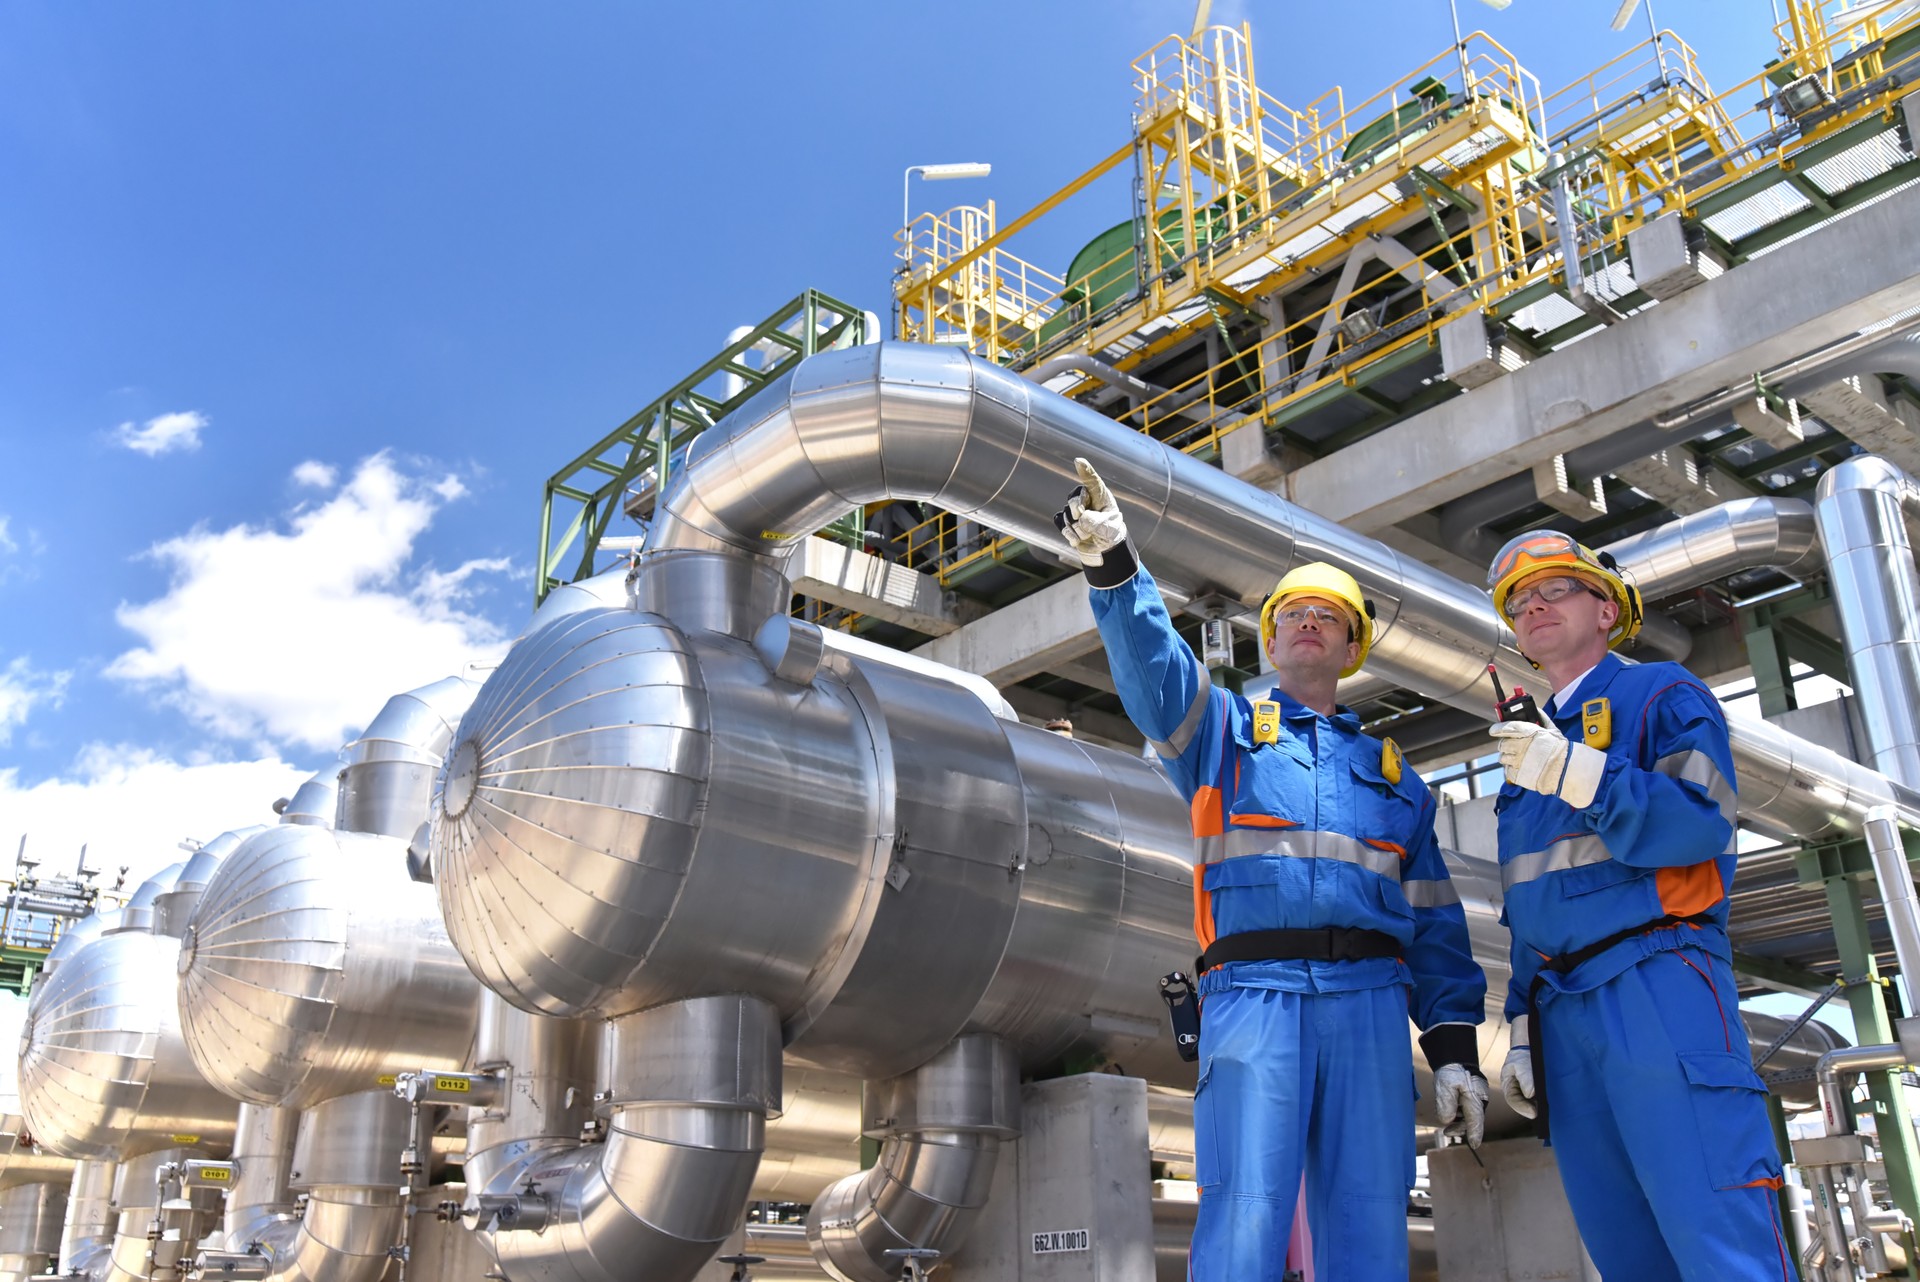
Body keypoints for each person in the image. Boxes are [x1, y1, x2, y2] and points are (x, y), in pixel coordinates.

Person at [1056, 458, 1487, 1282]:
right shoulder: (1222, 732)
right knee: (1245, 1216)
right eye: (1292, 613)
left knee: (1368, 1219)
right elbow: (1156, 676)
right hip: (1253, 997)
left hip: (1369, 1006)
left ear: (1351, 645)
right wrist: (1114, 565)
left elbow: (1435, 924)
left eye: (1329, 616)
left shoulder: (1397, 780)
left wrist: (1457, 1047)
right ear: (1271, 636)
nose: (1308, 624)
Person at [1483, 530, 1793, 1280]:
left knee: (1716, 1230)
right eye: (1521, 602)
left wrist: (1578, 772)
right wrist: (1521, 1022)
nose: (1535, 606)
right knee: (1624, 1246)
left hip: (1659, 979)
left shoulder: (1661, 693)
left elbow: (1697, 820)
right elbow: (1533, 902)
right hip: (1562, 1012)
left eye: (1555, 589)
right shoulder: (1526, 758)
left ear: (1606, 608)